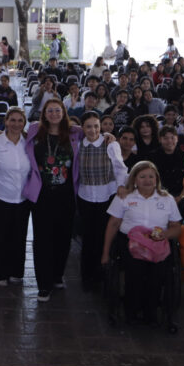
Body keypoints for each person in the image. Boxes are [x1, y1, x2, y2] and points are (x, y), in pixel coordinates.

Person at [102, 161, 182, 324]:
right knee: (135, 272)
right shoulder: (124, 197)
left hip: (157, 243)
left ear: (156, 179)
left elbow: (177, 227)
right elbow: (113, 224)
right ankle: (132, 310)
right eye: (142, 176)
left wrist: (164, 234)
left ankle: (150, 312)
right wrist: (105, 253)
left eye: (151, 176)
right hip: (129, 243)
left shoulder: (167, 199)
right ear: (134, 179)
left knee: (157, 274)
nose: (147, 180)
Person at [24, 98, 82, 302]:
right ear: (44, 114)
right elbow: (14, 133)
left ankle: (57, 275)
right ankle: (43, 284)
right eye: (50, 110)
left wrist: (108, 135)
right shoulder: (34, 131)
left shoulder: (74, 132)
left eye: (58, 110)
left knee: (63, 237)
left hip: (66, 194)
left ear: (64, 112)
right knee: (42, 239)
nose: (54, 114)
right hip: (42, 195)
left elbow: (95, 132)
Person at [75, 111, 129, 292]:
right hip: (85, 196)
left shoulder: (110, 144)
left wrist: (121, 185)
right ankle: (87, 275)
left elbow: (120, 168)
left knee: (103, 236)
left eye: (96, 126)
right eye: (88, 126)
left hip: (106, 196)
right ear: (83, 128)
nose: (93, 130)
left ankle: (102, 273)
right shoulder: (78, 145)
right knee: (88, 237)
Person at [0, 107, 31, 287]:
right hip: (0, 197)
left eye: (20, 120)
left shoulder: (28, 142)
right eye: (12, 120)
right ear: (5, 121)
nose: (16, 124)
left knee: (19, 237)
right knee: (0, 237)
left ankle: (16, 271)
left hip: (22, 199)